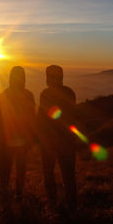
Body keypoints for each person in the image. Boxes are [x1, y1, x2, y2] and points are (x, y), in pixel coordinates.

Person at [37, 65, 78, 212]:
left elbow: (42, 118)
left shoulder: (45, 94)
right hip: (66, 140)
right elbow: (74, 117)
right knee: (68, 175)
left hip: (50, 141)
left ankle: (53, 203)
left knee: (48, 172)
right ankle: (71, 205)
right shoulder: (69, 93)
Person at [0, 66, 36, 203]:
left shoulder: (3, 95)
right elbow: (32, 118)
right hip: (17, 139)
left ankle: (7, 193)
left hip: (10, 139)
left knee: (7, 168)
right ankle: (17, 194)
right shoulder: (28, 95)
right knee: (18, 168)